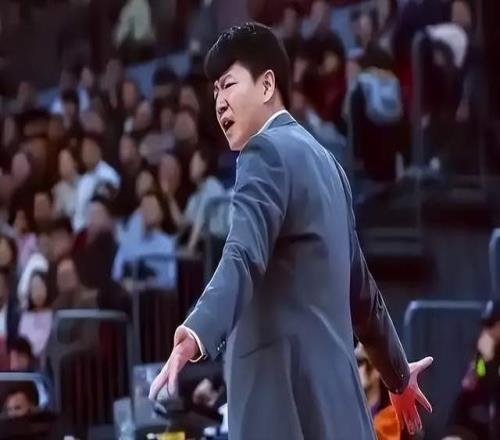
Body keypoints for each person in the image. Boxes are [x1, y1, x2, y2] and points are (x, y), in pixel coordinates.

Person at [149, 23, 433, 439]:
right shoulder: (330, 166)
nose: (219, 102)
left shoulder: (262, 152)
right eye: (214, 92)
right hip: (339, 409)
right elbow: (362, 293)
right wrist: (398, 376)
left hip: (281, 403)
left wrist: (196, 331)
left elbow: (243, 254)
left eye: (228, 85)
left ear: (267, 85)